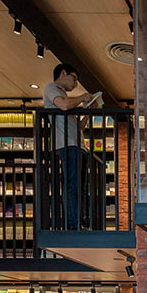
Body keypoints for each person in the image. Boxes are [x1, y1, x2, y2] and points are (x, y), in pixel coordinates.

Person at [42, 64, 99, 228]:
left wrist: (88, 111)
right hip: (68, 146)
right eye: (74, 79)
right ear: (63, 73)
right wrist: (82, 98)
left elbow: (78, 127)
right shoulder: (52, 88)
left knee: (79, 187)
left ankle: (77, 222)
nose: (75, 84)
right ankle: (73, 224)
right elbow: (64, 105)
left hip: (77, 145)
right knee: (72, 185)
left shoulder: (67, 98)